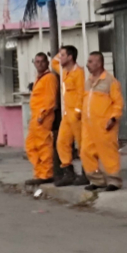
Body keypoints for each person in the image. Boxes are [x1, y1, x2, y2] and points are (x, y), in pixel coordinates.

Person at [80, 51, 124, 191]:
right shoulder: (88, 81)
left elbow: (118, 103)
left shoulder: (110, 81)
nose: (88, 64)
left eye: (91, 61)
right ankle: (97, 181)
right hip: (88, 125)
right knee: (86, 152)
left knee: (108, 153)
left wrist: (113, 118)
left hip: (105, 125)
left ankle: (114, 181)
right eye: (88, 61)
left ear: (99, 63)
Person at [52, 45, 89, 187]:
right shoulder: (65, 72)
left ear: (70, 57)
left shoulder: (79, 73)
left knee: (82, 144)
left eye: (63, 55)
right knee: (61, 142)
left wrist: (79, 111)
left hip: (77, 114)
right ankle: (68, 172)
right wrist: (61, 51)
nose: (60, 57)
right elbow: (53, 63)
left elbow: (81, 93)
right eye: (60, 55)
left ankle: (87, 172)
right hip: (67, 114)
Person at [25, 52, 59, 185]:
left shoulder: (50, 78)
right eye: (37, 61)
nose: (39, 64)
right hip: (35, 117)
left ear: (47, 63)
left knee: (43, 145)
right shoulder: (39, 78)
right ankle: (38, 173)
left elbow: (50, 99)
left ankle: (46, 174)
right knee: (31, 146)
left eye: (42, 61)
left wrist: (42, 115)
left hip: (42, 117)